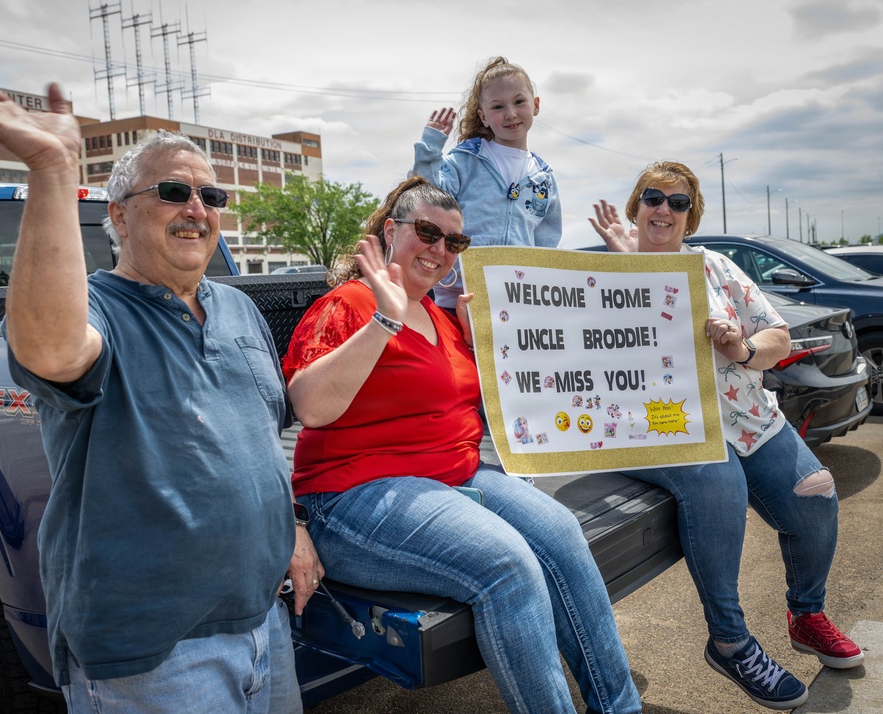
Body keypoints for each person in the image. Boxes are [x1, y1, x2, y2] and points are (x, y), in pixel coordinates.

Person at [0, 56, 321, 714]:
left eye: (212, 196)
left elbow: (254, 441)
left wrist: (291, 528)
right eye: (173, 192)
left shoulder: (238, 309)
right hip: (153, 661)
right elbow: (52, 347)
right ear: (117, 215)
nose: (198, 208)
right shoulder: (99, 310)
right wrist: (52, 173)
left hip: (263, 628)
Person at [282, 176, 641, 714]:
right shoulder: (349, 304)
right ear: (390, 231)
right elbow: (310, 405)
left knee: (563, 533)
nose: (440, 250)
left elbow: (509, 397)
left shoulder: (443, 319)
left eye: (455, 241)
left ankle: (619, 707)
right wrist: (385, 315)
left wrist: (486, 340)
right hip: (353, 497)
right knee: (508, 563)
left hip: (455, 477)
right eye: (428, 232)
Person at [589, 161, 863, 710]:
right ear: (634, 205)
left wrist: (740, 347)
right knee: (720, 485)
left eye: (678, 201)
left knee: (816, 492)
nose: (663, 208)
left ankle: (806, 615)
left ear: (692, 216)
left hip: (747, 415)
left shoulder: (713, 266)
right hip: (663, 426)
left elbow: (778, 336)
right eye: (652, 197)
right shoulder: (603, 272)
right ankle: (730, 641)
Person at [410, 56, 562, 310]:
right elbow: (424, 199)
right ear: (483, 116)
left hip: (518, 300)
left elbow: (546, 244)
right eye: (498, 107)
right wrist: (429, 151)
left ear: (535, 105)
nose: (511, 113)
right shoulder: (463, 161)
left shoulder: (543, 178)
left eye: (519, 102)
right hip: (457, 298)